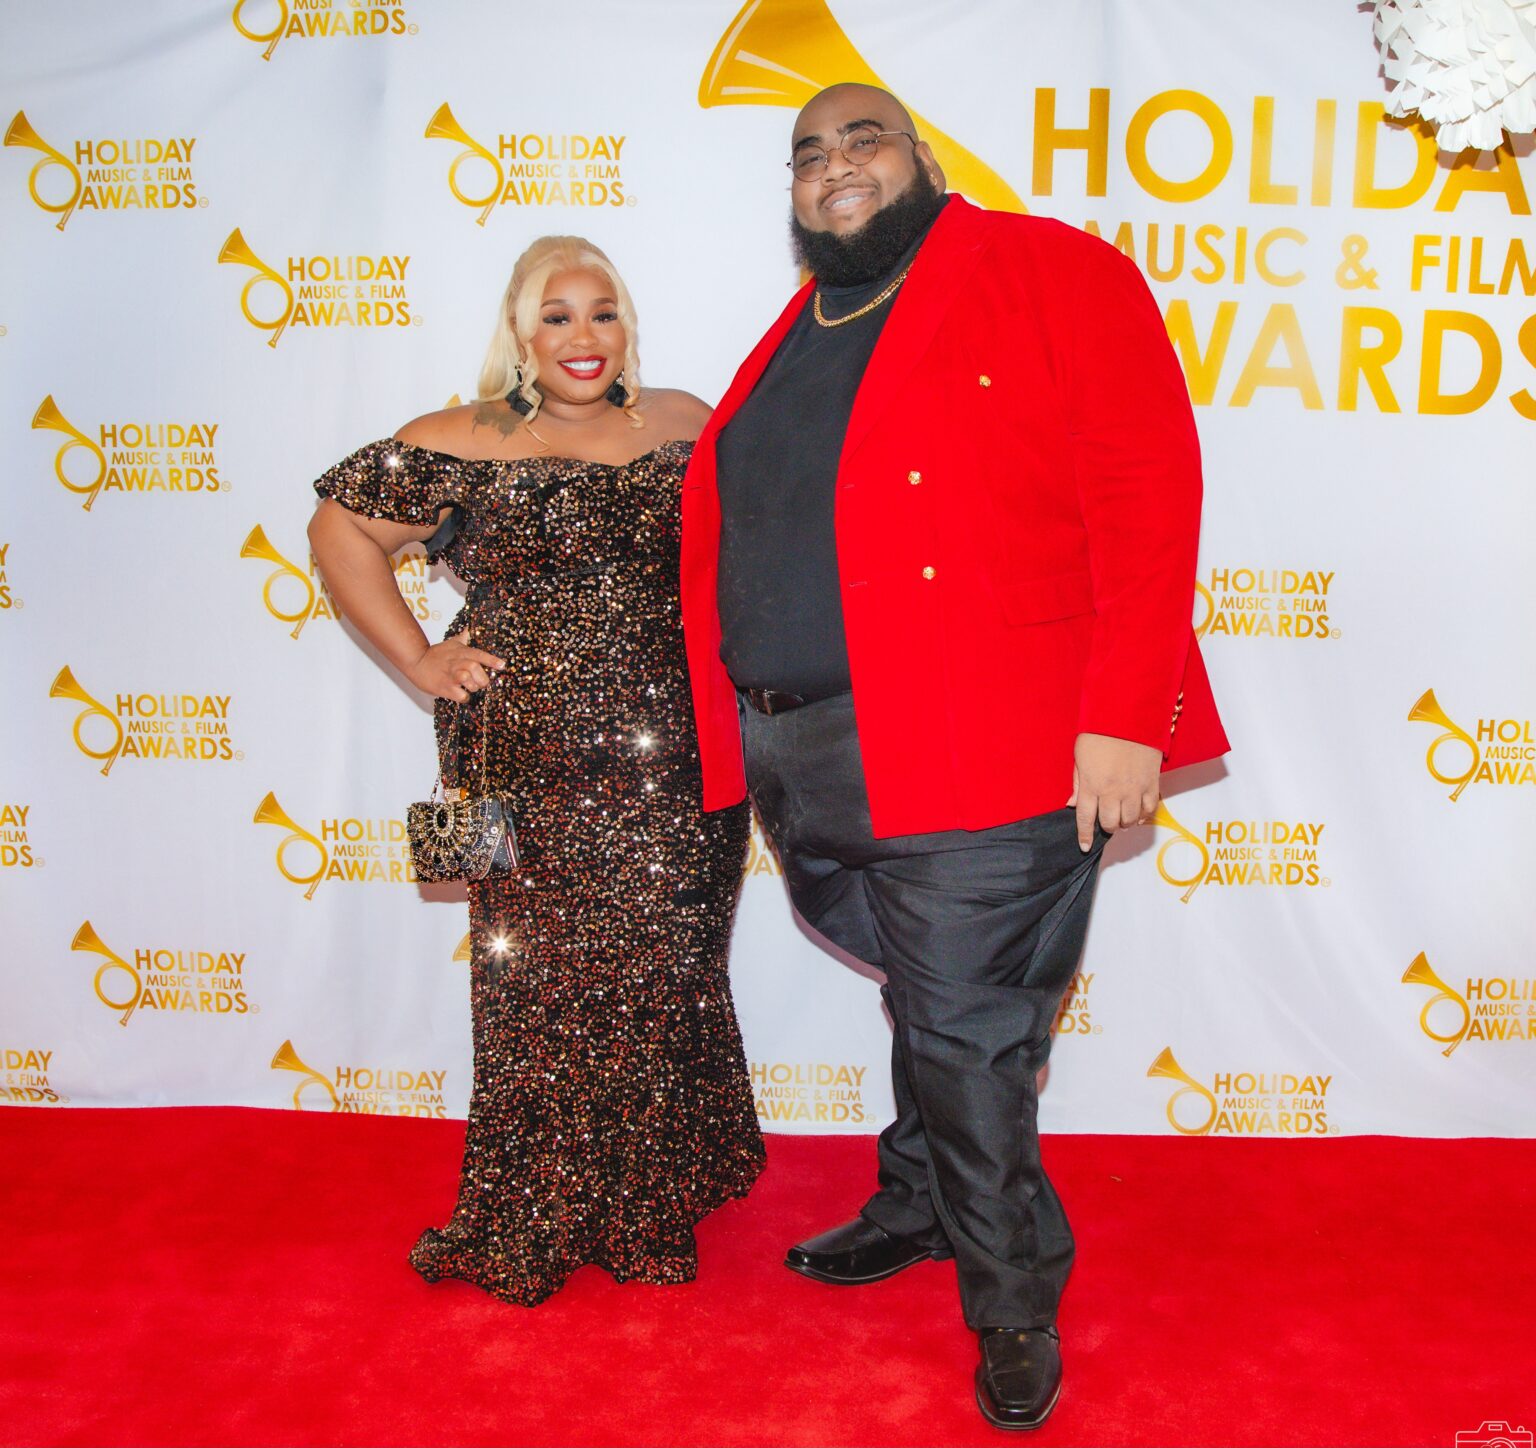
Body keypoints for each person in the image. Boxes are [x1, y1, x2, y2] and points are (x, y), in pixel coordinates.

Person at [678, 85, 1229, 1428]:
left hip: (992, 743)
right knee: (939, 1008)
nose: (832, 165)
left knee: (971, 1034)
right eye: (805, 152)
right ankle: (922, 1198)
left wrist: (1123, 716)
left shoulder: (1048, 270)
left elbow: (1148, 491)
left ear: (921, 158)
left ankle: (1014, 1303)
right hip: (810, 756)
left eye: (861, 137)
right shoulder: (798, 334)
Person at [307, 234, 764, 1306]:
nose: (582, 336)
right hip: (518, 760)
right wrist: (421, 655)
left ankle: (651, 1204)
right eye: (555, 315)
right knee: (534, 991)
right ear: (520, 331)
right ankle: (535, 1207)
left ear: (627, 327)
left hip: (678, 768)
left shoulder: (688, 422)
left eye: (602, 312)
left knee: (665, 977)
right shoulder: (461, 437)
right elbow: (339, 529)